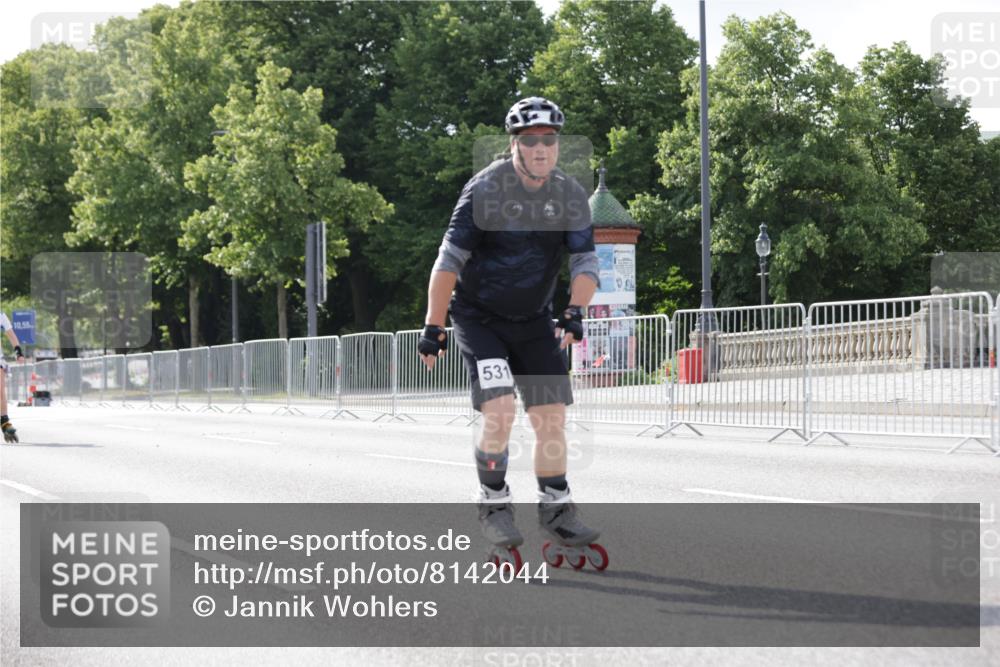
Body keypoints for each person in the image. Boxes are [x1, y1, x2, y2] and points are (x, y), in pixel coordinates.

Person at [418, 97, 604, 568]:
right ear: (515, 144)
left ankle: (557, 508)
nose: (542, 148)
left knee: (551, 418)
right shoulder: (485, 190)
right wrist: (433, 325)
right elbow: (448, 262)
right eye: (531, 140)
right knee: (499, 410)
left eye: (550, 139)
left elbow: (584, 262)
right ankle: (494, 500)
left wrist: (575, 310)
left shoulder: (569, 195)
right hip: (480, 320)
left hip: (534, 321)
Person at [0, 311, 25, 443]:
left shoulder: (1, 315)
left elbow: (11, 336)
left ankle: (4, 422)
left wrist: (18, 353)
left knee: (0, 391)